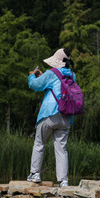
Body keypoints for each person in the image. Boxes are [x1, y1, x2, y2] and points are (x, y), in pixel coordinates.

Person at [26, 48, 76, 188]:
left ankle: (35, 174)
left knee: (39, 143)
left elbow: (35, 85)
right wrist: (44, 76)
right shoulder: (72, 75)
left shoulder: (51, 73)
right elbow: (57, 86)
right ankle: (63, 181)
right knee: (61, 149)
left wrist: (32, 76)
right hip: (66, 117)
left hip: (50, 114)